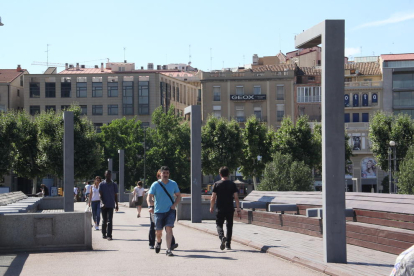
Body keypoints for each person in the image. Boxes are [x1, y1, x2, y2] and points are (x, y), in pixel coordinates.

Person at [147, 166, 181, 256]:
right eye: (164, 173)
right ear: (160, 174)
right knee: (158, 231)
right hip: (158, 211)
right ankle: (158, 242)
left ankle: (168, 249)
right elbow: (149, 196)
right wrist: (150, 206)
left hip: (170, 210)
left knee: (169, 229)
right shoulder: (155, 184)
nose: (165, 175)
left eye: (167, 173)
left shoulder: (173, 184)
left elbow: (178, 195)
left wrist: (174, 205)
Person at [210, 166, 241, 250]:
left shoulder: (216, 184)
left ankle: (222, 237)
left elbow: (213, 197)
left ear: (220, 174)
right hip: (230, 208)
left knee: (219, 224)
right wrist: (238, 208)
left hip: (220, 208)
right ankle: (228, 244)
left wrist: (211, 207)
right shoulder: (232, 184)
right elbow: (236, 197)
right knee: (229, 225)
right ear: (228, 174)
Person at [99, 170, 119, 241]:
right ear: (105, 175)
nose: (108, 176)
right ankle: (104, 233)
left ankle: (109, 235)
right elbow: (100, 195)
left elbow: (115, 195)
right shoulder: (101, 184)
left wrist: (117, 205)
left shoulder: (114, 184)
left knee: (110, 220)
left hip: (111, 204)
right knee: (104, 220)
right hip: (104, 205)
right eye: (107, 174)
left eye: (109, 175)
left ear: (111, 175)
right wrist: (102, 203)